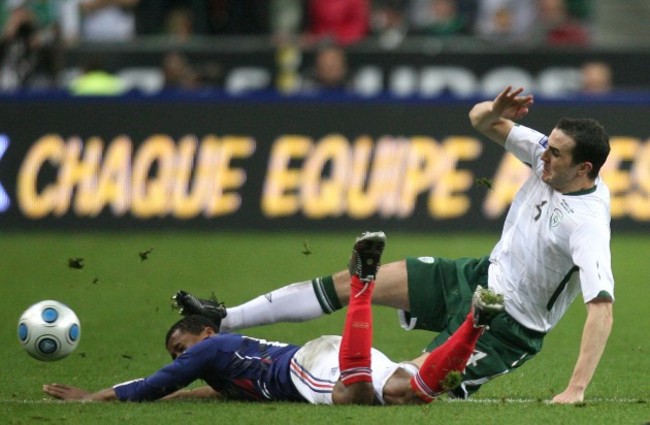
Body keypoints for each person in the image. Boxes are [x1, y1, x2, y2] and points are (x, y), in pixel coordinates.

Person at [174, 86, 615, 404]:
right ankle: (225, 318)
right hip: (476, 276)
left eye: (556, 153)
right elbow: (480, 120)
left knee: (404, 389)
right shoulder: (544, 155)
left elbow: (601, 307)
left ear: (584, 168)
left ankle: (286, 382)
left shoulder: (587, 224)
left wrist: (575, 389)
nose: (543, 155)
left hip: (508, 326)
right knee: (352, 282)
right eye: (547, 145)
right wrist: (496, 109)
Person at [43, 232, 505, 405]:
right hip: (319, 356)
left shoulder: (218, 346)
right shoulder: (225, 363)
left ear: (207, 333)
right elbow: (195, 388)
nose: (184, 358)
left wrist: (95, 398)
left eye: (183, 349)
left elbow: (157, 384)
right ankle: (477, 323)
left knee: (355, 394)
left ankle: (362, 288)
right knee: (413, 391)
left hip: (310, 369)